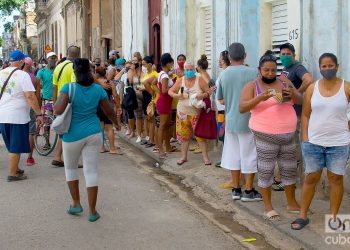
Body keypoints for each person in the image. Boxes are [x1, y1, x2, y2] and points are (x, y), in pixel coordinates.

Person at [240, 50, 303, 220]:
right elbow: (242, 108)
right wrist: (259, 98)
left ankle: (292, 203)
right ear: (259, 70)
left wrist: (292, 94)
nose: (270, 73)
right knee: (266, 170)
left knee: (289, 169)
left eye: (273, 70)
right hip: (264, 135)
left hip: (288, 135)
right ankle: (268, 206)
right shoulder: (252, 86)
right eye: (266, 70)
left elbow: (300, 100)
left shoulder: (284, 81)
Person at [54, 58, 119, 222]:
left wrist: (61, 99)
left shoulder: (69, 88)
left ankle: (76, 204)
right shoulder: (98, 90)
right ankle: (92, 211)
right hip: (94, 133)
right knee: (91, 171)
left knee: (70, 169)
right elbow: (109, 110)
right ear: (90, 71)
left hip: (72, 135)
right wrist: (117, 123)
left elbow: (58, 110)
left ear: (75, 72)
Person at [291, 53, 350, 230]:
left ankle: (333, 219)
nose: (327, 69)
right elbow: (306, 114)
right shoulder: (312, 88)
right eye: (323, 66)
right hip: (314, 142)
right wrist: (305, 138)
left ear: (337, 66)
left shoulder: (346, 87)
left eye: (330, 65)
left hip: (339, 142)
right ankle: (303, 215)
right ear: (319, 68)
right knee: (311, 178)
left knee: (336, 179)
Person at [216, 43, 262, 201]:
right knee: (249, 155)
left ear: (229, 57)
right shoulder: (254, 72)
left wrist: (231, 100)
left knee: (233, 155)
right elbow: (259, 95)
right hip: (249, 121)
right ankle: (249, 190)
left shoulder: (224, 74)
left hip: (231, 121)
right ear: (245, 56)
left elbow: (220, 99)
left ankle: (236, 189)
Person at [273, 43, 314, 191]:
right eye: (282, 54)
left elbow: (309, 79)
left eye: (287, 54)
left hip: (296, 114)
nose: (284, 56)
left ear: (294, 55)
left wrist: (296, 92)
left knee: (291, 147)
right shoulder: (285, 69)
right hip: (285, 114)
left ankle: (289, 179)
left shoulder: (297, 67)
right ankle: (281, 177)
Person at [0, 50, 44, 181]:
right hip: (17, 116)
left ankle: (16, 167)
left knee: (11, 144)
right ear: (21, 61)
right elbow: (30, 96)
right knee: (16, 146)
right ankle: (13, 173)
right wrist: (38, 114)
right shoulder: (22, 75)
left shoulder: (1, 73)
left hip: (2, 115)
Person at [168, 60, 215, 165]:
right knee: (184, 136)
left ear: (194, 69)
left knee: (200, 136)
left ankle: (205, 158)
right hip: (182, 112)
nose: (189, 71)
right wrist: (177, 96)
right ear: (184, 70)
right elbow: (170, 91)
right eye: (187, 70)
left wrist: (201, 96)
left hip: (196, 113)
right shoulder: (181, 80)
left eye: (191, 69)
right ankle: (183, 157)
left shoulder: (200, 80)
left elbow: (209, 92)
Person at [52, 45, 80, 167]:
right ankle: (72, 160)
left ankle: (57, 156)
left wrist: (55, 104)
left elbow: (54, 87)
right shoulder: (72, 67)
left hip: (59, 102)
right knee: (73, 132)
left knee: (63, 131)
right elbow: (75, 86)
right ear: (78, 55)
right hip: (70, 103)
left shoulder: (58, 67)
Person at [95, 65, 122, 155]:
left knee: (100, 127)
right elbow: (115, 95)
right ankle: (112, 148)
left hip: (98, 106)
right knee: (110, 128)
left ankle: (102, 147)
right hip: (108, 106)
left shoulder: (96, 83)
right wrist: (118, 106)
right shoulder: (110, 83)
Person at [22, 57, 41, 166]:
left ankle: (15, 157)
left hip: (20, 107)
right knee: (31, 132)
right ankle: (29, 158)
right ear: (30, 65)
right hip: (31, 106)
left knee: (18, 131)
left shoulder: (17, 76)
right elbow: (37, 96)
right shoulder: (35, 79)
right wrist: (38, 111)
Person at [156, 53, 175, 158]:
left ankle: (168, 146)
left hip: (166, 102)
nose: (172, 65)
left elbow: (154, 83)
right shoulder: (164, 75)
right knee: (162, 126)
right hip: (164, 102)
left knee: (167, 125)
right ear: (168, 63)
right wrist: (174, 88)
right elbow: (164, 90)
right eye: (171, 63)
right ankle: (160, 149)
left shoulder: (162, 74)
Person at [215, 50, 230, 169]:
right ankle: (225, 158)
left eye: (220, 58)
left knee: (224, 135)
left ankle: (226, 159)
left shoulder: (226, 74)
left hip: (224, 110)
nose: (219, 61)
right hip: (221, 110)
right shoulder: (224, 73)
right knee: (222, 135)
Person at [141, 56, 159, 148]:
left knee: (152, 120)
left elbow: (151, 86)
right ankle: (148, 137)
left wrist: (151, 93)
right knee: (147, 119)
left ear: (149, 65)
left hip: (150, 97)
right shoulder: (145, 74)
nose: (142, 66)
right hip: (144, 97)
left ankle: (153, 140)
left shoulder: (155, 74)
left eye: (144, 64)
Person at [128, 53, 145, 143]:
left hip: (145, 96)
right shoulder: (132, 72)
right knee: (138, 116)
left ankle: (146, 134)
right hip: (136, 97)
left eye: (136, 61)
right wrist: (132, 71)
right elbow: (129, 81)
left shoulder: (144, 71)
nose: (134, 63)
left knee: (146, 116)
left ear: (140, 62)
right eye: (133, 61)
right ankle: (139, 134)